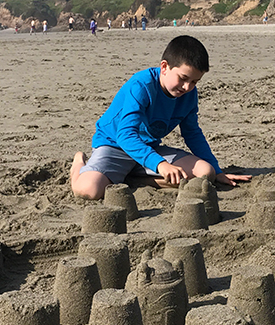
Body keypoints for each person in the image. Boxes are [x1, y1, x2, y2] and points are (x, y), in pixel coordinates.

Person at [69, 34, 251, 200]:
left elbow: (192, 133)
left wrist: (217, 170)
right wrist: (161, 165)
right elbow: (125, 135)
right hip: (114, 145)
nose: (187, 87)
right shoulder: (141, 85)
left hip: (148, 148)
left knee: (205, 174)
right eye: (183, 78)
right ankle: (79, 162)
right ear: (164, 67)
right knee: (89, 190)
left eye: (195, 82)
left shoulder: (188, 94)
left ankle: (133, 177)